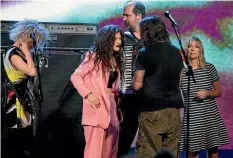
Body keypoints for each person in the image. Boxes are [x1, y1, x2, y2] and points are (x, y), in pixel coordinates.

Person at [132, 16, 184, 158]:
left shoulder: (144, 52)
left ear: (148, 32)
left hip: (152, 112)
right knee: (171, 153)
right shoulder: (176, 51)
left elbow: (137, 85)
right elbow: (180, 80)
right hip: (174, 112)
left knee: (148, 151)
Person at [70, 25, 125, 158]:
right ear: (106, 40)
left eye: (120, 38)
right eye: (115, 38)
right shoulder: (94, 57)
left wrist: (117, 94)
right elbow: (75, 76)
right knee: (94, 152)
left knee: (110, 150)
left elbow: (111, 84)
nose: (119, 41)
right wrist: (88, 94)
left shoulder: (115, 60)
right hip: (97, 108)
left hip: (112, 107)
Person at [2, 19, 49, 157]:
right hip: (16, 103)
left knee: (24, 141)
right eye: (34, 42)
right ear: (27, 37)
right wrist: (26, 52)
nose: (34, 46)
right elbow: (31, 72)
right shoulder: (13, 54)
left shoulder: (18, 53)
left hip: (23, 100)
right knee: (17, 143)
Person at [179, 36, 230, 158]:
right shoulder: (181, 71)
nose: (192, 49)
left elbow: (218, 92)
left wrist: (207, 92)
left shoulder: (209, 68)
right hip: (192, 116)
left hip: (209, 115)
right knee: (192, 152)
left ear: (200, 50)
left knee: (213, 151)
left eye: (196, 46)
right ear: (186, 50)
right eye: (189, 46)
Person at [118, 1, 145, 156]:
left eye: (127, 15)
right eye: (123, 15)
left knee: (148, 137)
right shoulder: (123, 39)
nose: (123, 19)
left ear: (139, 16)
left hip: (148, 96)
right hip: (127, 96)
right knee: (125, 136)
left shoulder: (151, 39)